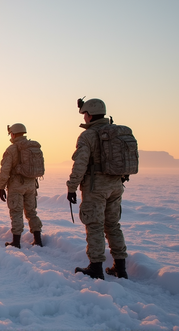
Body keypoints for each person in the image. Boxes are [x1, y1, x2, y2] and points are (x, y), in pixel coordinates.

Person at [68, 98, 129, 280]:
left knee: (94, 225)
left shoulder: (88, 136)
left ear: (89, 114)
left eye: (84, 114)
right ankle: (120, 268)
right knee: (113, 225)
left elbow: (80, 164)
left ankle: (95, 268)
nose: (84, 118)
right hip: (116, 185)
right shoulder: (116, 133)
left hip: (96, 187)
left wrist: (72, 187)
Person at [0, 123, 43, 248]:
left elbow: (5, 170)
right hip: (31, 184)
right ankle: (38, 240)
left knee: (16, 212)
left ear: (13, 134)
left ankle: (16, 242)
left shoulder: (12, 149)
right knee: (32, 212)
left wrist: (1, 186)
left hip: (17, 185)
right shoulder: (32, 146)